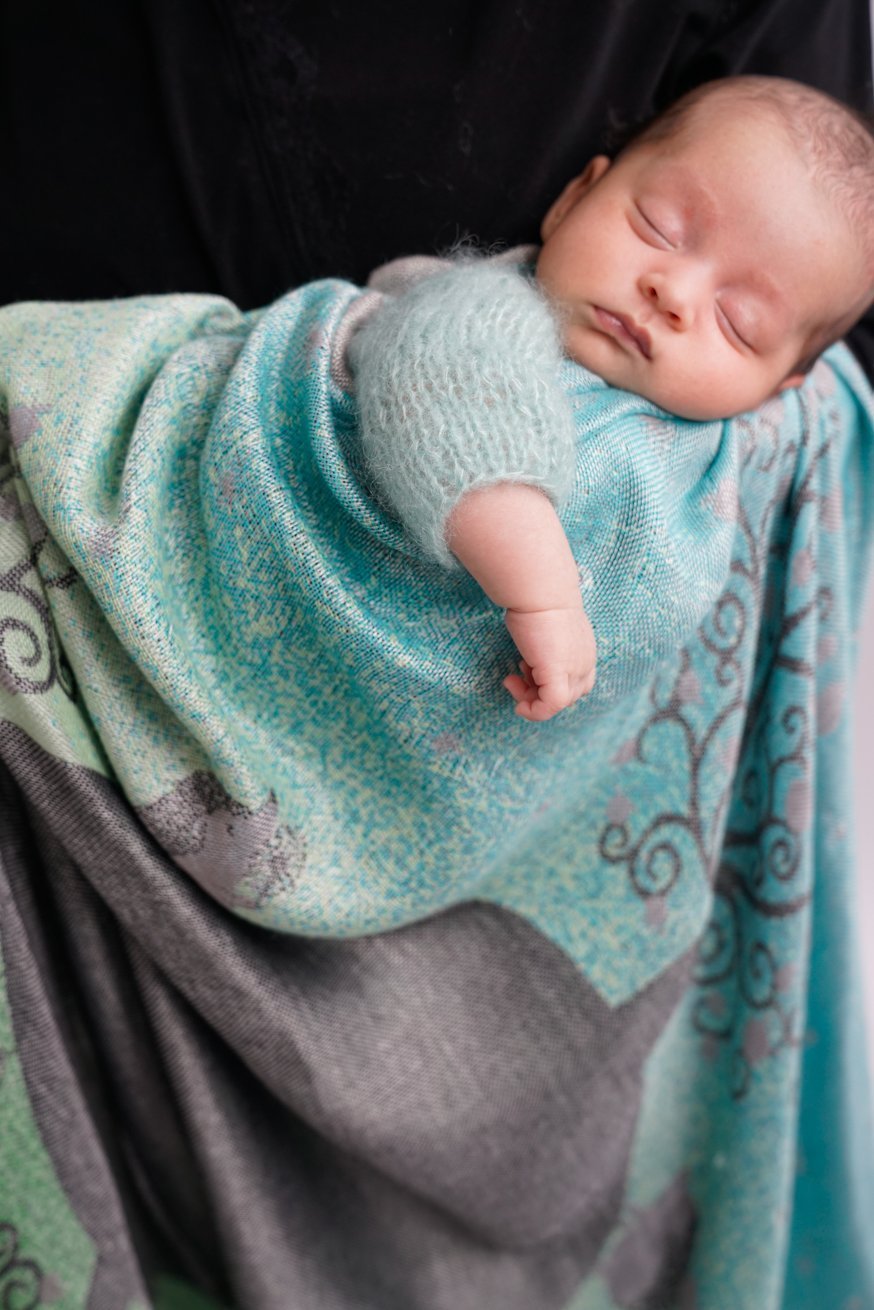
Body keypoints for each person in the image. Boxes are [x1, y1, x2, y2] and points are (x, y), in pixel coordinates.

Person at [347, 75, 874, 722]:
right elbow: (447, 398)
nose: (672, 292)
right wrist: (543, 594)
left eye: (738, 321)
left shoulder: (741, 460)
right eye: (658, 228)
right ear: (575, 197)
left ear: (781, 388)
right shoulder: (487, 310)